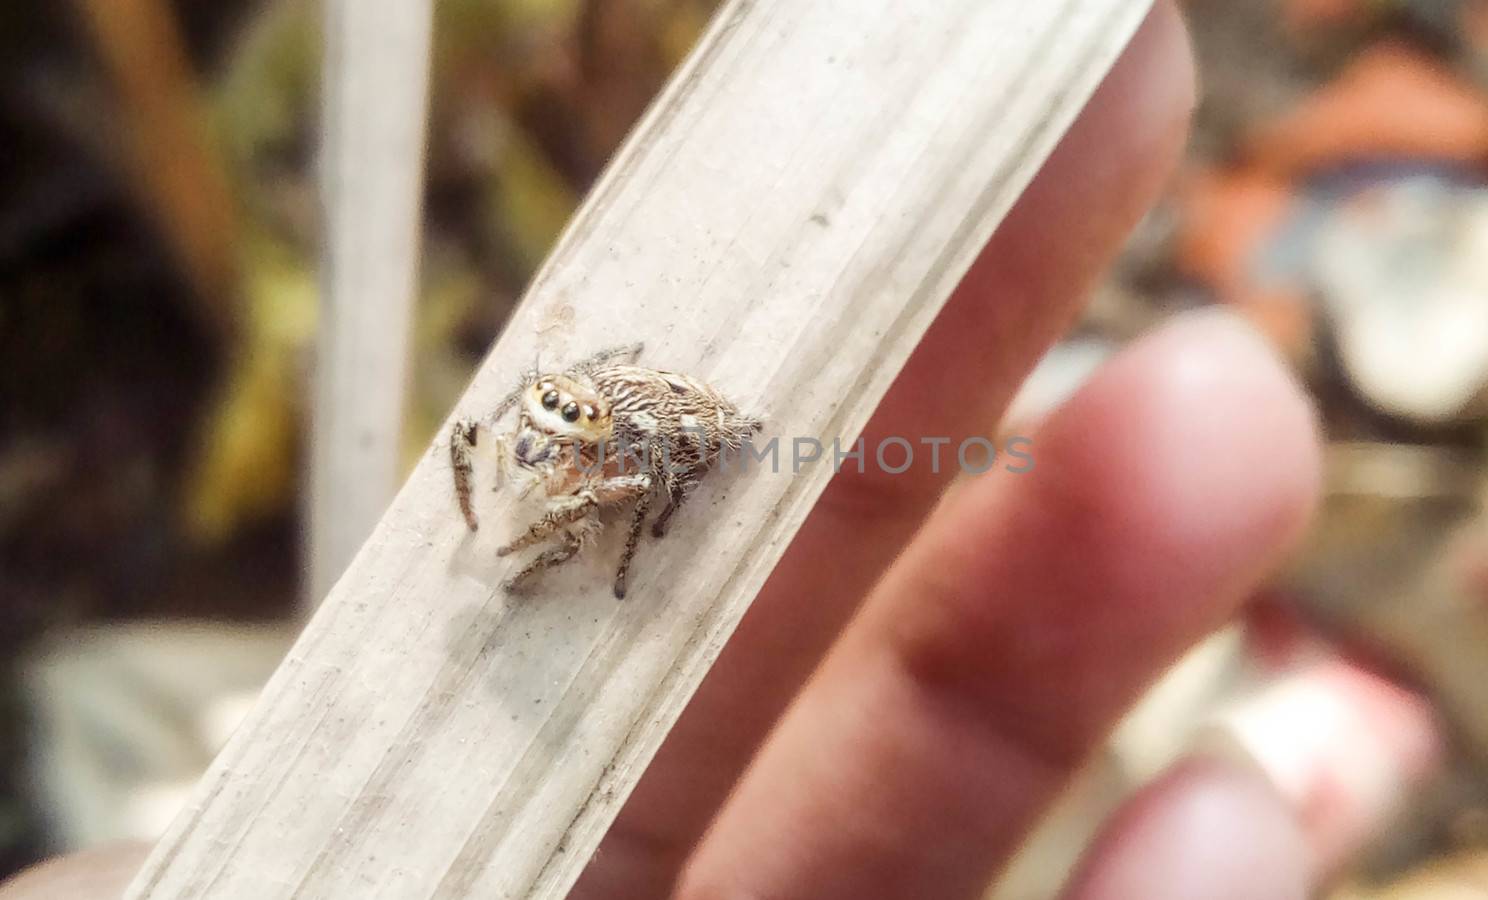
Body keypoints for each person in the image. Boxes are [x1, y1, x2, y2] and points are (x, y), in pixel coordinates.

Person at [0, 3, 1318, 898]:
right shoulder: (555, 421)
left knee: (626, 496)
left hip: (678, 436)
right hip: (641, 424)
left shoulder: (625, 448)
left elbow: (634, 461)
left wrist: (617, 515)